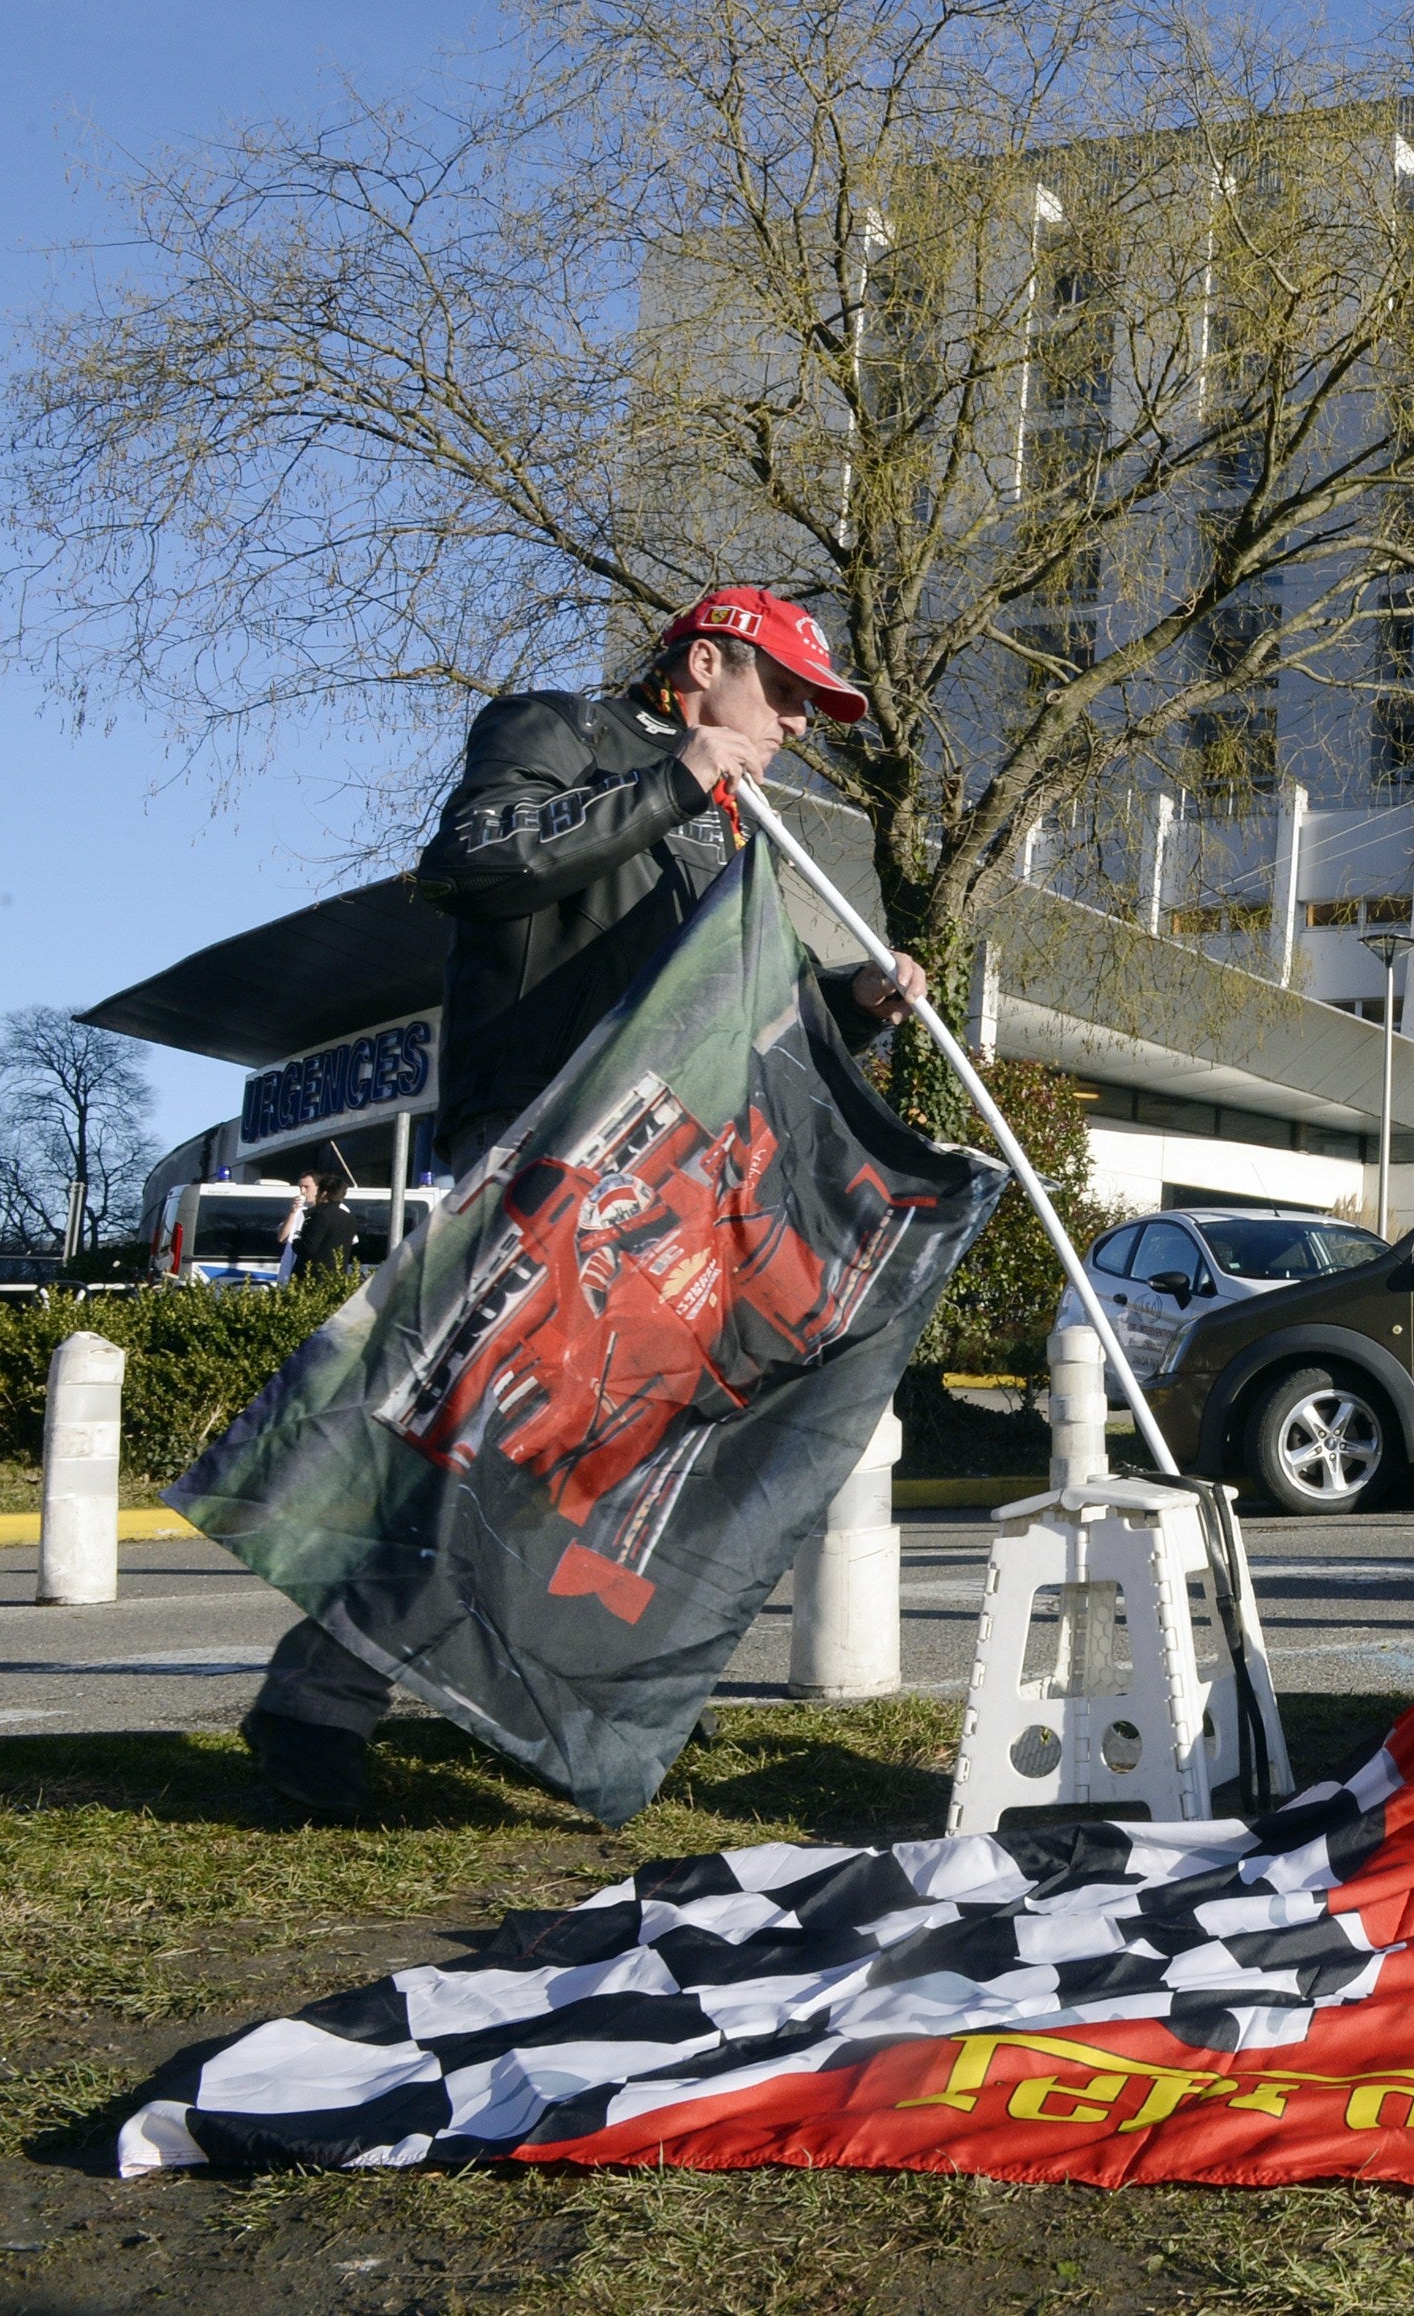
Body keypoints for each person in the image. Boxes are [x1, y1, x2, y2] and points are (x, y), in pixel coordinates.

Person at [240, 586, 930, 1818]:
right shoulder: (559, 727)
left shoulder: (733, 819)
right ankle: (315, 1707)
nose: (797, 727)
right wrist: (677, 780)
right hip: (538, 1146)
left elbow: (727, 1016)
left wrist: (847, 1006)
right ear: (705, 662)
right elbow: (473, 861)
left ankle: (506, 1708)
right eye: (784, 694)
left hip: (651, 1175)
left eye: (810, 709)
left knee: (583, 1463)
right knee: (472, 1437)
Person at [278, 1164, 357, 1284]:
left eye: (306, 1187)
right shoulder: (300, 1209)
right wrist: (292, 1212)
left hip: (315, 1275)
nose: (302, 1191)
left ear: (320, 1189)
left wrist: (297, 1242)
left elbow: (311, 1246)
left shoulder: (330, 1212)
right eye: (300, 1187)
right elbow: (282, 1238)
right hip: (328, 1276)